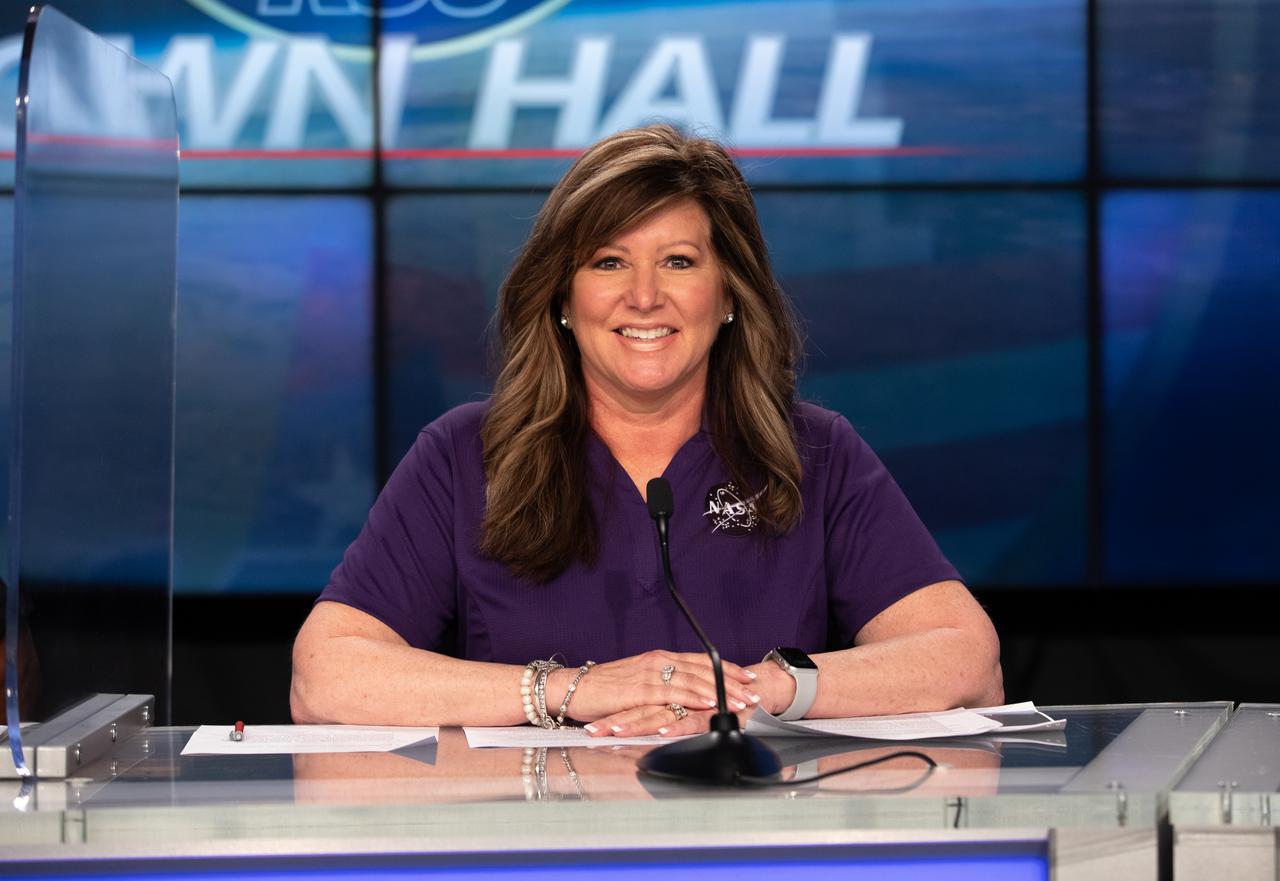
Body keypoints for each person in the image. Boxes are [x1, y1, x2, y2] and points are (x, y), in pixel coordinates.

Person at [291, 124, 1002, 737]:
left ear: (728, 293)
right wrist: (571, 689)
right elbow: (325, 678)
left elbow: (967, 660)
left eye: (679, 261)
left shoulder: (814, 452)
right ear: (563, 297)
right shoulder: (463, 455)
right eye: (609, 261)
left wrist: (758, 691)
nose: (644, 296)